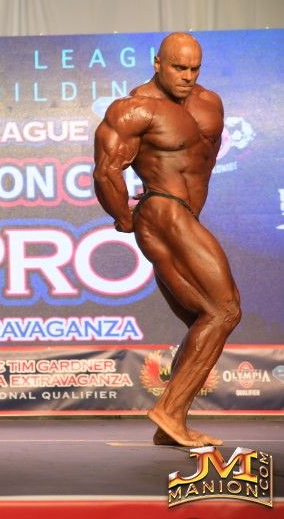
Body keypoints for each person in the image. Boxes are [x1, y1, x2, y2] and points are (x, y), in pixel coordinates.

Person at [93, 32, 240, 447]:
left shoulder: (210, 103)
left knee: (204, 318)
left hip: (185, 215)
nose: (187, 76)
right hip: (162, 210)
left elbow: (202, 163)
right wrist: (123, 216)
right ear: (157, 64)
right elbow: (106, 170)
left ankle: (169, 424)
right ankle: (170, 411)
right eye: (178, 67)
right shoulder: (134, 108)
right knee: (225, 309)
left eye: (194, 68)